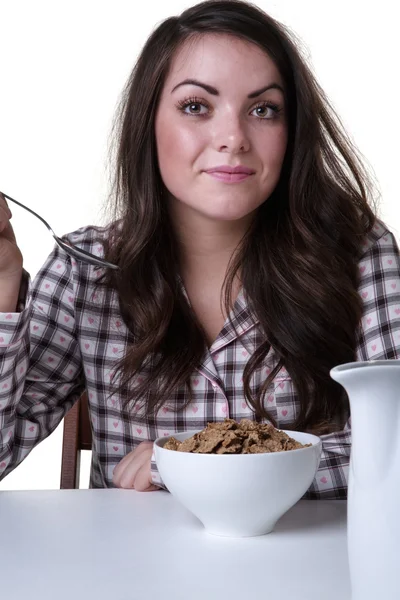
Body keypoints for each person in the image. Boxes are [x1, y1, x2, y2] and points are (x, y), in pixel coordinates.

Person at [0, 0, 399, 499]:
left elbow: (394, 450)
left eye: (263, 110)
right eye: (196, 106)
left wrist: (191, 466)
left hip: (312, 574)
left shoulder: (359, 253)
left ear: (291, 132)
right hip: (131, 574)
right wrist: (2, 285)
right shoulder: (85, 272)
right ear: (149, 122)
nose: (233, 138)